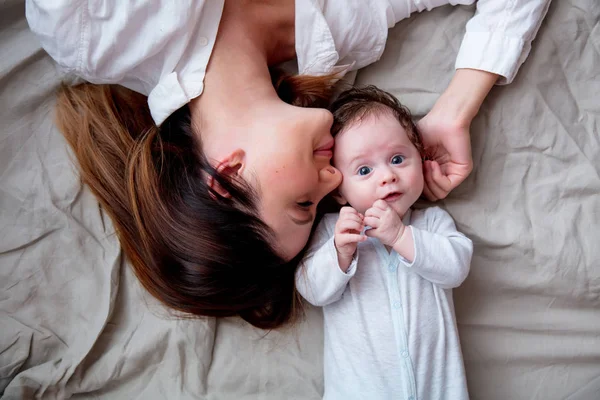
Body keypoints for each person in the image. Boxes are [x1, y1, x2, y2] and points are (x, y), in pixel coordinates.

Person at [25, 0, 550, 328]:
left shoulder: (93, 32)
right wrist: (455, 111)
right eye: (323, 202)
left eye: (303, 203)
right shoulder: (344, 29)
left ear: (226, 177)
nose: (334, 179)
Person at [296, 86, 473, 399]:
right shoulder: (332, 231)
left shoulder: (431, 223)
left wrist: (401, 236)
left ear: (420, 159)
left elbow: (456, 268)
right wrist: (339, 253)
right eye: (364, 170)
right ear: (339, 190)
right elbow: (311, 289)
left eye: (398, 158)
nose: (387, 176)